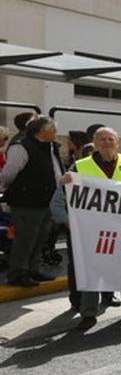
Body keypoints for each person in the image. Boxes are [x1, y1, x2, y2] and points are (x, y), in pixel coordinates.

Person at [73, 127, 121, 326]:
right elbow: (70, 192)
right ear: (94, 143)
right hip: (92, 228)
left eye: (110, 139)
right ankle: (88, 313)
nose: (106, 142)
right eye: (102, 139)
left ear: (117, 142)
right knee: (91, 269)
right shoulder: (80, 165)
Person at [0, 116, 63, 287]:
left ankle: (33, 269)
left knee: (40, 237)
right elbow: (8, 173)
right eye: (53, 130)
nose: (56, 133)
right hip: (26, 201)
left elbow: (56, 172)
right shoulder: (21, 147)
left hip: (45, 200)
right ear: (42, 131)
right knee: (25, 238)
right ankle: (18, 273)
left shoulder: (49, 147)